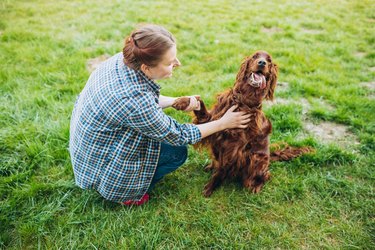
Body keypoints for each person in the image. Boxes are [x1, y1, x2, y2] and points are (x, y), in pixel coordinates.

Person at [69, 24, 250, 206]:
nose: (177, 64)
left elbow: (143, 100)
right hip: (101, 166)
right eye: (170, 63)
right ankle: (126, 194)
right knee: (177, 153)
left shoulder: (121, 61)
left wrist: (173, 101)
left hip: (88, 152)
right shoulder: (135, 101)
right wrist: (223, 123)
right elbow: (179, 135)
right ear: (146, 68)